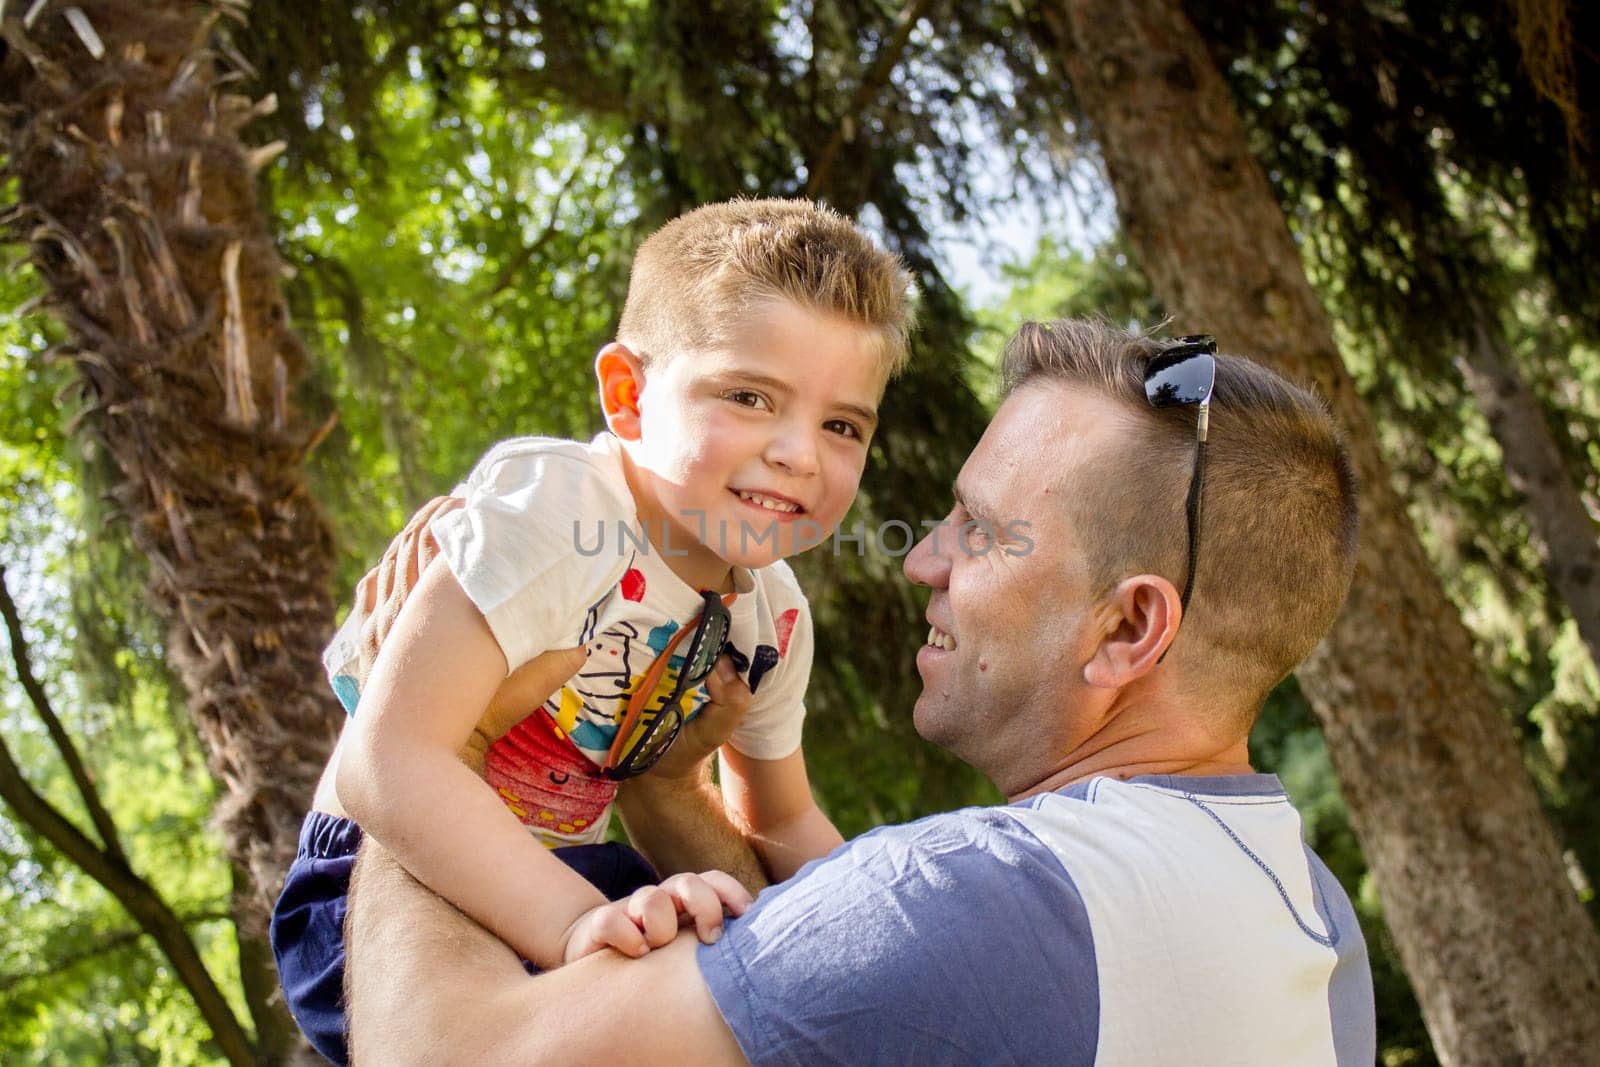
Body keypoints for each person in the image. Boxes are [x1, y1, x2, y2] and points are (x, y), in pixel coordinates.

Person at [343, 318, 1377, 1065]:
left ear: (1127, 628)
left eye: (979, 529)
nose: (919, 560)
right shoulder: (1314, 925)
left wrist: (429, 727)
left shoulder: (978, 900)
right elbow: (811, 985)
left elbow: (442, 1052)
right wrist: (667, 795)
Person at [269, 198, 917, 1064]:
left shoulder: (773, 614)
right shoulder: (558, 511)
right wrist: (577, 925)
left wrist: (896, 930)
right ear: (629, 396)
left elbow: (784, 820)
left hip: (561, 884)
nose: (800, 453)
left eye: (843, 425)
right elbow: (387, 763)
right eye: (750, 396)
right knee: (681, 950)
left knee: (731, 935)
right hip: (367, 892)